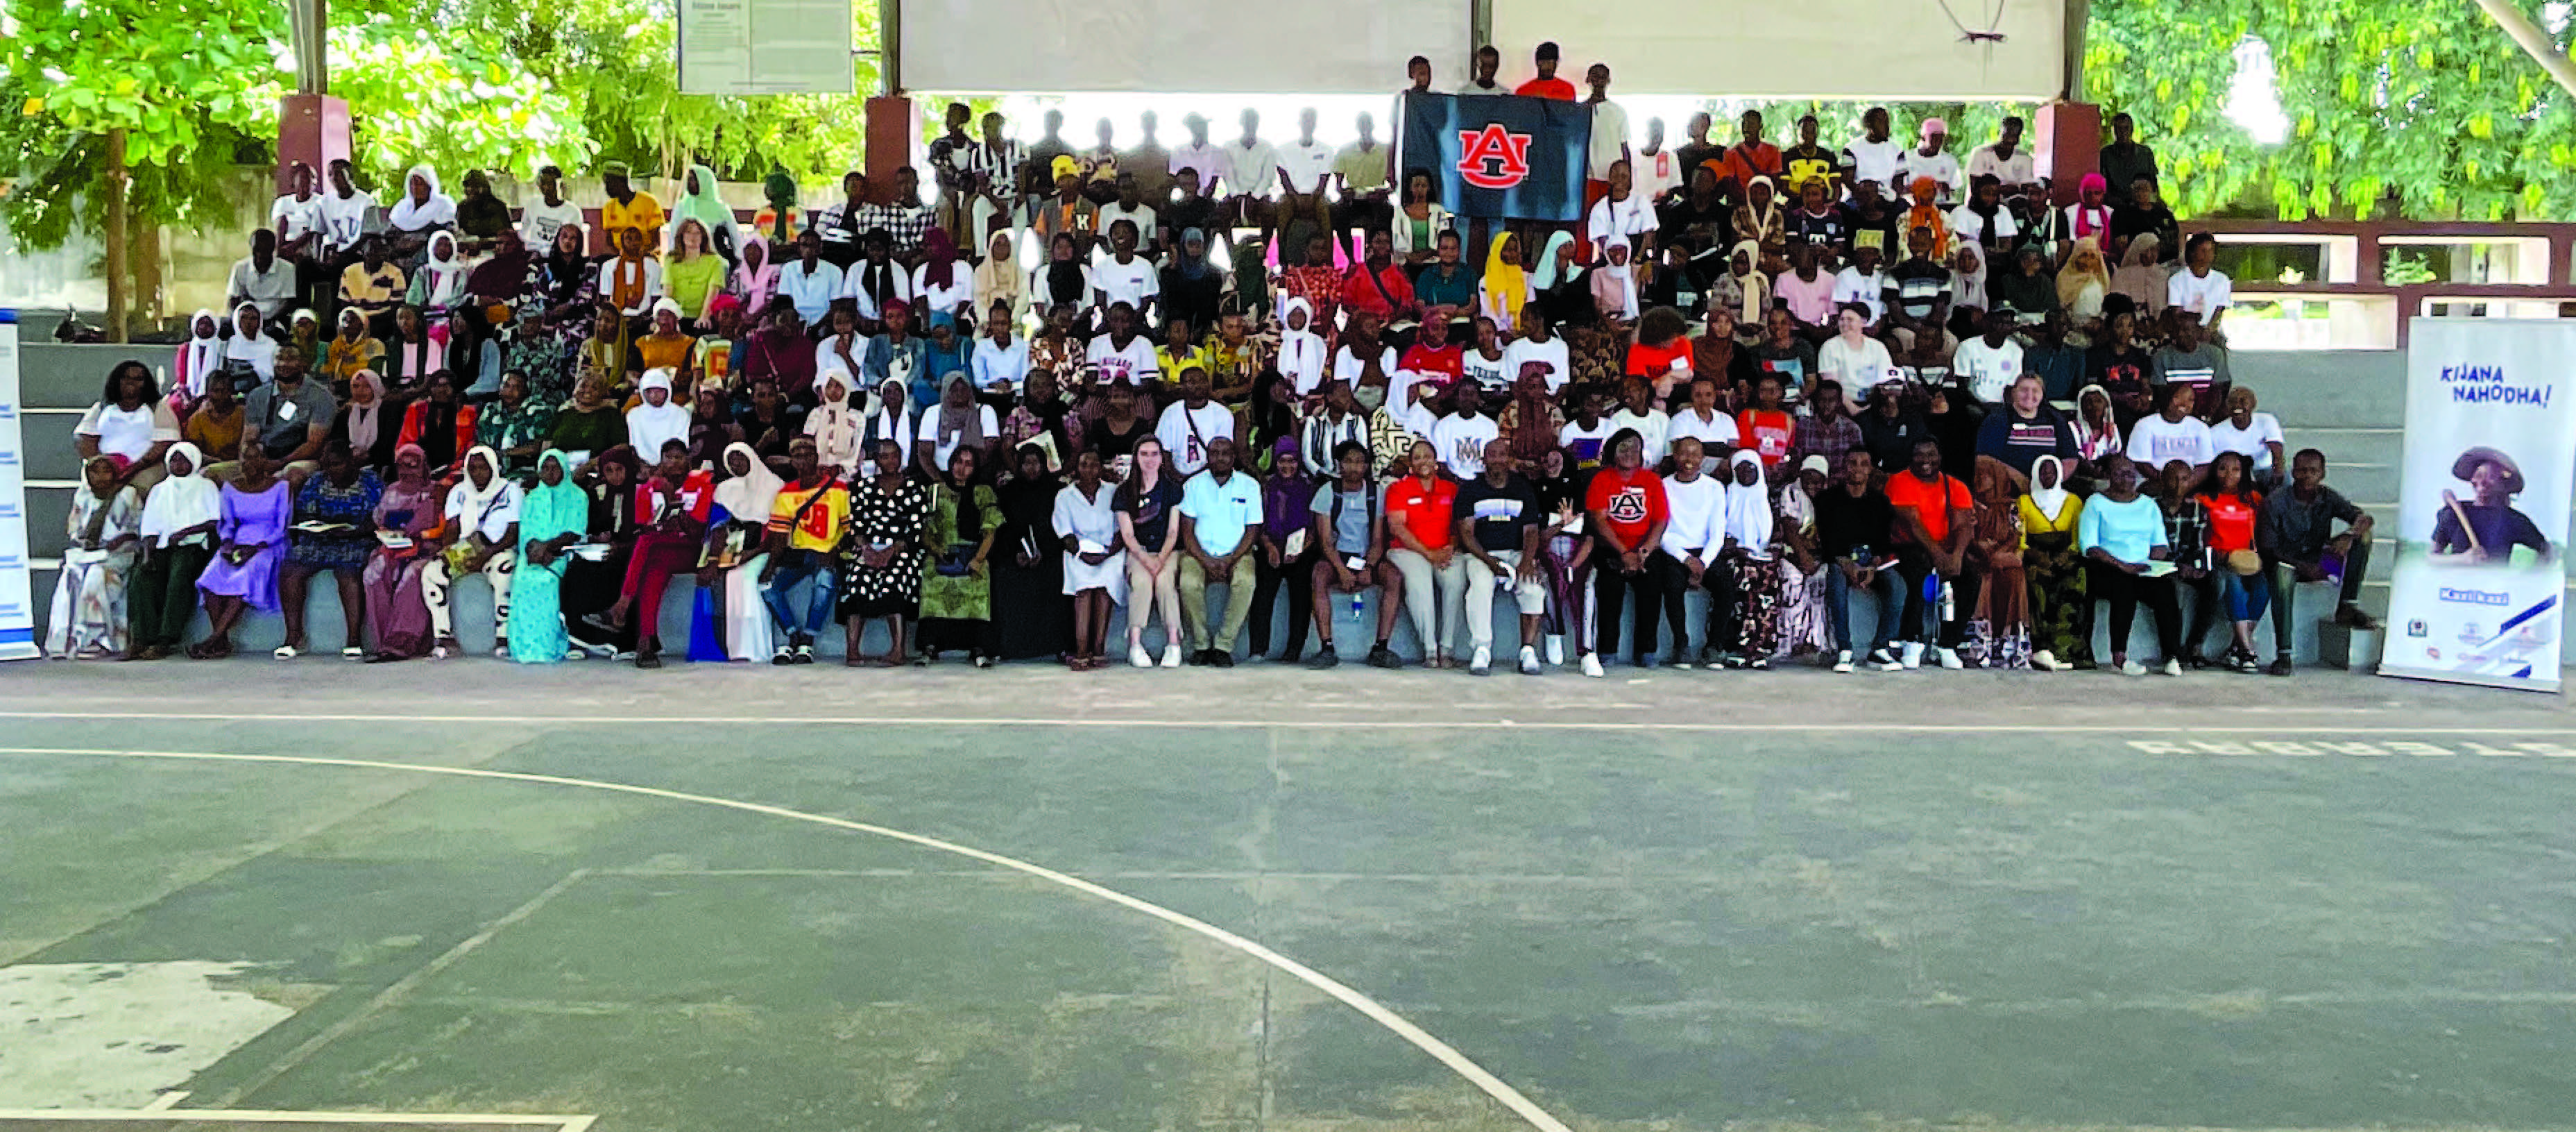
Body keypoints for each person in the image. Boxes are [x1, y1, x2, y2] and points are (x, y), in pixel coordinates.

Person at [587, 439, 714, 668]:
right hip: (660, 550)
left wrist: (672, 501)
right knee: (653, 568)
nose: (674, 462)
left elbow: (696, 530)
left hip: (691, 550)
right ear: (662, 461)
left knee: (648, 545)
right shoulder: (649, 487)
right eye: (669, 457)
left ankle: (621, 609)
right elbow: (642, 527)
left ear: (688, 460)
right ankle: (645, 645)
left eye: (679, 457)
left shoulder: (702, 483)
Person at [2255, 449, 2376, 675]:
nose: (2307, 476)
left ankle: (2347, 607)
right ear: (2294, 472)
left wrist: (2348, 535)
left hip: (2318, 560)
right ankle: (2284, 655)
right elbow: (2268, 549)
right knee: (2283, 575)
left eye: (2313, 471)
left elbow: (2364, 518)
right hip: (2286, 563)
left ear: (2322, 473)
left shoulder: (2328, 497)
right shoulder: (2276, 502)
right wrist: (2303, 567)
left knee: (2364, 536)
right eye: (2302, 471)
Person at [271, 439, 381, 661]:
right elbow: (305, 513)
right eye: (327, 465)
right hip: (321, 539)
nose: (331, 470)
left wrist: (353, 531)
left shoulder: (370, 482)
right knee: (291, 572)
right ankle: (294, 637)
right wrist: (318, 527)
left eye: (337, 464)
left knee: (348, 575)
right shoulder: (317, 481)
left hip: (356, 539)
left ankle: (353, 640)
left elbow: (378, 518)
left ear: (350, 462)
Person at [2078, 456, 2183, 675]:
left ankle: (2172, 656)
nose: (2127, 478)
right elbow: (2089, 547)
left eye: (2130, 473)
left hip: (2142, 569)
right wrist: (2123, 565)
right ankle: (2120, 656)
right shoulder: (2096, 503)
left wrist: (2153, 560)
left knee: (2166, 590)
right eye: (2119, 473)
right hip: (2107, 567)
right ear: (2108, 476)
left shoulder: (2148, 504)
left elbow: (2160, 544)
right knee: (2123, 587)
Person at [1170, 436, 1263, 666]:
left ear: (1233, 457)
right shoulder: (1193, 485)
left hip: (1239, 553)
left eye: (1225, 453)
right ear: (1207, 456)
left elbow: (1253, 530)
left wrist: (1232, 559)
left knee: (1246, 581)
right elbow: (1187, 532)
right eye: (1215, 453)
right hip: (1197, 553)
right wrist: (1205, 560)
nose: (1220, 458)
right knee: (1189, 583)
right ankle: (1201, 645)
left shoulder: (1250, 486)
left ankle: (1223, 645)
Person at [189, 448, 290, 659]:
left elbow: (281, 528)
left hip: (268, 545)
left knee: (245, 577)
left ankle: (212, 640)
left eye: (256, 458)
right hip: (237, 543)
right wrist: (226, 543)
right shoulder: (230, 488)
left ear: (265, 461)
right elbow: (227, 523)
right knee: (210, 579)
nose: (250, 463)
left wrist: (255, 548)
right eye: (246, 459)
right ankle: (222, 641)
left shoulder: (281, 487)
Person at [755, 437, 848, 664]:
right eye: (797, 456)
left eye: (807, 455)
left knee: (824, 583)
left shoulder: (838, 488)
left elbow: (849, 530)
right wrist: (770, 567)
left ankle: (808, 639)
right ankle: (792, 634)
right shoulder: (785, 493)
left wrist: (835, 552)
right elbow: (778, 536)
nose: (802, 460)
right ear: (792, 462)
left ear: (816, 458)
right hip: (798, 554)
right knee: (767, 586)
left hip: (826, 553)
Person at [837, 439, 930, 667]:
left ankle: (898, 650)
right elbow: (855, 526)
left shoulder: (914, 487)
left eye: (895, 456)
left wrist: (891, 550)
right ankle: (852, 650)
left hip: (902, 549)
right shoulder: (864, 487)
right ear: (877, 460)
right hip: (869, 548)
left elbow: (917, 528)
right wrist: (867, 549)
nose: (891, 461)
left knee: (894, 580)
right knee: (857, 580)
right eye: (885, 456)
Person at [1584, 428, 1668, 675]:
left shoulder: (1652, 481)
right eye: (1623, 447)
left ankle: (1647, 650)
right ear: (1613, 451)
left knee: (1652, 590)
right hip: (1610, 548)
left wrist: (1642, 553)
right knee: (1610, 590)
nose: (1629, 453)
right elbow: (1599, 521)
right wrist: (1624, 553)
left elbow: (1661, 521)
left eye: (1635, 448)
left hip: (1644, 548)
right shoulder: (1601, 480)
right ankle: (1607, 650)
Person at [127, 443, 222, 660]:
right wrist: (148, 555)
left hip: (194, 545)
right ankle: (141, 638)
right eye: (174, 460)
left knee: (179, 577)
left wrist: (186, 532)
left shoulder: (205, 486)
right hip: (162, 546)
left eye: (183, 460)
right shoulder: (160, 489)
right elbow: (150, 527)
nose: (178, 465)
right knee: (141, 578)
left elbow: (213, 520)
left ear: (194, 461)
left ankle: (166, 638)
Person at [45, 455, 144, 659]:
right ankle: (68, 640)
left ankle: (99, 640)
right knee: (70, 575)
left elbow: (137, 529)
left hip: (120, 553)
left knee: (96, 577)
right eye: (94, 472)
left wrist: (120, 539)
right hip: (90, 553)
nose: (100, 477)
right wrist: (78, 546)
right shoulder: (83, 497)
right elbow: (75, 530)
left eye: (105, 472)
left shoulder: (127, 494)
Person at [1886, 439, 1973, 668]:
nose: (1926, 461)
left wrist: (1955, 557)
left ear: (1940, 457)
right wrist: (1938, 555)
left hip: (1944, 547)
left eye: (1931, 455)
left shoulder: (1955, 486)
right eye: (1919, 455)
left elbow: (1964, 526)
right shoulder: (1899, 481)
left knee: (1971, 578)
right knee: (1919, 573)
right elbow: (1913, 524)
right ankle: (1912, 641)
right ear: (1911, 457)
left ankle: (1948, 644)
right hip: (1908, 546)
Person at [1814, 448, 1902, 672]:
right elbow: (1826, 538)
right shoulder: (1827, 500)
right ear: (1844, 467)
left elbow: (1883, 541)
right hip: (1840, 561)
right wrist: (1845, 563)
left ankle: (1880, 648)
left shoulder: (1880, 502)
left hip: (1871, 562)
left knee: (1897, 584)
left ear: (1871, 469)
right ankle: (1845, 650)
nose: (1858, 469)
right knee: (1835, 577)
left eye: (1864, 464)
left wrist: (1873, 565)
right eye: (1853, 463)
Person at [914, 446, 1005, 665]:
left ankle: (979, 647)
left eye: (968, 464)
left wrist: (978, 558)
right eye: (958, 462)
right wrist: (936, 550)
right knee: (933, 583)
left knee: (978, 586)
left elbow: (990, 530)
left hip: (973, 553)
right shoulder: (936, 491)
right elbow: (925, 528)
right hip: (941, 552)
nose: (961, 468)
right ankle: (930, 646)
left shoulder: (983, 492)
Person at [1304, 441, 1385, 668]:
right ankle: (1327, 647)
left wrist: (1367, 568)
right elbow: (1325, 541)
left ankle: (1381, 647)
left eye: (1360, 462)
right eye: (1348, 461)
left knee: (1394, 578)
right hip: (1337, 556)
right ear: (1339, 465)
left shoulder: (1375, 492)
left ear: (1367, 466)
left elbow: (1378, 540)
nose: (1354, 467)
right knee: (1319, 575)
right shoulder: (1328, 492)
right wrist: (1342, 571)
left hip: (1366, 556)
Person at [500, 450, 586, 664]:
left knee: (547, 581)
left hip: (563, 553)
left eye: (555, 467)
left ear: (564, 469)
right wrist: (533, 550)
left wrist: (548, 549)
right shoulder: (532, 498)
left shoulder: (578, 496)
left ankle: (551, 645)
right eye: (545, 468)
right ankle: (523, 646)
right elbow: (526, 533)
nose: (550, 473)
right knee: (523, 579)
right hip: (533, 555)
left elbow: (575, 532)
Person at [990, 441, 1073, 661]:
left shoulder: (1056, 492)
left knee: (1056, 577)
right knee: (1004, 576)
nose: (1032, 468)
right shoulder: (1007, 493)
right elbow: (1002, 529)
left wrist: (1044, 552)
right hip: (1014, 555)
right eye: (1026, 463)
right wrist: (1015, 553)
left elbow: (1060, 527)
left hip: (1049, 554)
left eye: (1037, 463)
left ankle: (1059, 647)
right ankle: (1009, 647)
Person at [1647, 437, 1723, 666]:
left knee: (1726, 586)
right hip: (1675, 551)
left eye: (1695, 454)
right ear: (1674, 456)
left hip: (1706, 552)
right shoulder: (1663, 486)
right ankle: (1681, 645)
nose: (1689, 460)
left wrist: (1703, 563)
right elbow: (1663, 531)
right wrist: (1687, 560)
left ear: (1703, 459)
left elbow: (1717, 534)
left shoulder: (1714, 487)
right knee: (1672, 585)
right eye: (1683, 453)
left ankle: (1714, 646)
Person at [1114, 436, 1187, 668]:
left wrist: (1161, 560)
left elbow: (1174, 531)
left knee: (1166, 582)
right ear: (1136, 458)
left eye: (1154, 454)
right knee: (1142, 583)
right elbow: (1127, 535)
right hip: (1139, 552)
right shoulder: (1124, 492)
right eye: (1144, 454)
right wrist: (1146, 560)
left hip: (1167, 551)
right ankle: (1135, 644)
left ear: (1162, 458)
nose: (1149, 459)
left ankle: (1174, 643)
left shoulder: (1173, 489)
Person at [1246, 438, 1319, 664]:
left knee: (1301, 594)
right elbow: (1258, 524)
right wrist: (1270, 548)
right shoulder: (1267, 487)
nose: (1287, 466)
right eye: (1282, 461)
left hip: (1301, 548)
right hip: (1271, 544)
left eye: (1292, 461)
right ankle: (1258, 649)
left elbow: (1314, 529)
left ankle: (1293, 651)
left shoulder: (1308, 488)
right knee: (1263, 592)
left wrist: (1299, 551)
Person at [2016, 454, 2090, 671]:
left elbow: (2077, 538)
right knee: (2036, 586)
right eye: (2043, 471)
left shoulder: (2073, 501)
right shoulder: (2024, 501)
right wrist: (2036, 555)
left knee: (2074, 583)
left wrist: (2066, 555)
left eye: (2051, 471)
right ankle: (2042, 650)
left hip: (2066, 557)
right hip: (2036, 557)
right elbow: (2020, 538)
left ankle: (2067, 651)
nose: (2047, 475)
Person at [1052, 449, 1125, 670]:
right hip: (1079, 553)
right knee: (1083, 593)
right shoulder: (1065, 495)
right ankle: (1082, 650)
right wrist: (1083, 554)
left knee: (1104, 590)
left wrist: (1108, 552)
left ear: (1101, 468)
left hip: (1110, 552)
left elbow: (1122, 528)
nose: (1089, 470)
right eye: (1084, 465)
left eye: (1094, 465)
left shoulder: (1113, 492)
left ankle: (1099, 648)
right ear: (1077, 468)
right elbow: (1065, 533)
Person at [2431, 446, 2550, 564]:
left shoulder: (2513, 520)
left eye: (2491, 477)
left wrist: (2533, 577)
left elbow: (2547, 550)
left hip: (2497, 583)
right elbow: (2432, 558)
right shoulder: (2452, 514)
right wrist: (2462, 559)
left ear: (2503, 484)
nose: (2483, 482)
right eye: (2479, 476)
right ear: (2473, 481)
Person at [2126, 383, 2216, 474]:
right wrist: (2168, 484)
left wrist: (2186, 484)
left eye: (2190, 400)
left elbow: (2204, 466)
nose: (2184, 403)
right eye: (2178, 398)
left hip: (2190, 483)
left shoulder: (2200, 428)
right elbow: (2141, 464)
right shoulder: (2144, 425)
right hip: (2152, 484)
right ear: (2168, 398)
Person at [2210, 385, 2287, 484]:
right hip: (2235, 474)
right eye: (2233, 402)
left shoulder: (2267, 420)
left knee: (2285, 481)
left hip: (2265, 470)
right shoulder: (2215, 432)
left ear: (2253, 404)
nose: (2237, 405)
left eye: (2243, 401)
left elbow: (2277, 453)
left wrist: (2278, 474)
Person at [2168, 233, 2232, 334]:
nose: (2208, 255)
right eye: (2203, 251)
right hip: (2184, 333)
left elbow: (2219, 312)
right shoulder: (2177, 280)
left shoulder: (2222, 280)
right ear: (2192, 252)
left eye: (2211, 251)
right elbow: (2177, 313)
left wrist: (2208, 331)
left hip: (2211, 334)